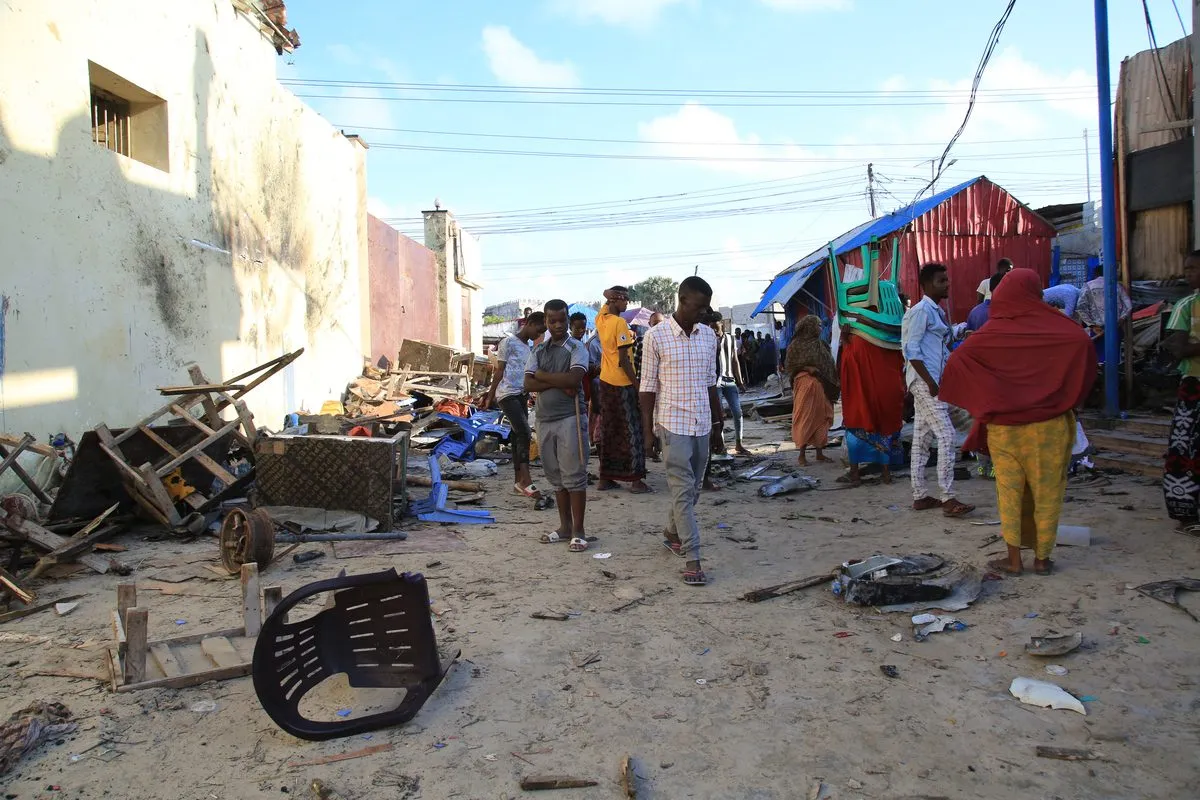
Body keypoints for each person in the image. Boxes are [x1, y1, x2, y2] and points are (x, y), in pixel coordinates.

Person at [941, 269, 1097, 575]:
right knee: (1048, 492)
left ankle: (1013, 560)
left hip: (1006, 430)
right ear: (1036, 293)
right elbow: (1083, 344)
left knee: (1010, 493)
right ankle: (1041, 559)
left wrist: (987, 396)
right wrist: (1068, 394)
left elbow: (959, 360)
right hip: (1050, 427)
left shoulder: (990, 333)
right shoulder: (1060, 328)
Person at [640, 277, 723, 586]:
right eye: (700, 306)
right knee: (682, 489)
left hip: (701, 423)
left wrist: (717, 423)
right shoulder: (655, 337)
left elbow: (710, 382)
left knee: (693, 490)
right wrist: (649, 431)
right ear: (683, 300)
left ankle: (672, 533)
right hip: (671, 425)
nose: (705, 312)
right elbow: (647, 387)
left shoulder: (708, 337)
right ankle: (693, 558)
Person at [901, 263, 975, 517]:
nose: (947, 284)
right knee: (946, 434)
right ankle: (948, 497)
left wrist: (963, 333)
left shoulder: (935, 311)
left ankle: (920, 496)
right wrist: (930, 382)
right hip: (925, 382)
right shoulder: (921, 311)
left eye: (946, 280)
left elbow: (941, 340)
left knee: (922, 440)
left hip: (930, 381)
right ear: (928, 285)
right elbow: (911, 350)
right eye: (942, 281)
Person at [524, 300, 591, 551]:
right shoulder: (538, 351)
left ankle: (579, 530)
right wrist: (555, 381)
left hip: (570, 418)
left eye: (562, 320)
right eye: (553, 321)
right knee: (556, 476)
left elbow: (574, 379)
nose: (558, 325)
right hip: (544, 419)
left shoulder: (576, 348)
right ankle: (564, 527)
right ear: (546, 323)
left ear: (567, 318)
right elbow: (528, 384)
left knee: (574, 474)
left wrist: (541, 375)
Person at [484, 312, 547, 501]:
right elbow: (500, 371)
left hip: (521, 394)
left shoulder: (528, 347)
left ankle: (517, 480)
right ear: (529, 323)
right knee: (525, 432)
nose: (539, 335)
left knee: (516, 433)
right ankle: (525, 479)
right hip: (506, 394)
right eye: (539, 329)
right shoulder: (508, 342)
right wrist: (490, 395)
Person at [595, 287, 650, 494]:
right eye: (625, 300)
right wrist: (637, 386)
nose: (627, 304)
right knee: (632, 430)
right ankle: (636, 481)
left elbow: (605, 294)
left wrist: (610, 295)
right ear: (616, 301)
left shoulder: (601, 319)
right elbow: (624, 360)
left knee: (609, 430)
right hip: (622, 383)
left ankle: (605, 478)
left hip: (605, 381)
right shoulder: (619, 323)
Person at [839, 325, 906, 486]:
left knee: (856, 431)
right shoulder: (888, 335)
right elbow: (898, 363)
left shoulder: (854, 338)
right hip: (884, 394)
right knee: (883, 431)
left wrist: (844, 339)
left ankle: (855, 474)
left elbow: (846, 366)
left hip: (860, 396)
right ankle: (885, 474)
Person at [1163, 251, 1200, 532]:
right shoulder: (1187, 304)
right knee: (1185, 448)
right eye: (1186, 268)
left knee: (1185, 447)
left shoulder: (1186, 306)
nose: (1188, 273)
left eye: (1193, 268)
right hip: (1193, 383)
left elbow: (1183, 347)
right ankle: (1187, 513)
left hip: (1194, 385)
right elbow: (1178, 349)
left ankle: (1187, 513)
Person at [784, 316, 838, 466]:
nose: (821, 328)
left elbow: (829, 365)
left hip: (822, 385)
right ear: (809, 327)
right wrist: (807, 368)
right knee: (806, 417)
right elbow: (790, 366)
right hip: (805, 384)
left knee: (822, 418)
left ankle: (819, 453)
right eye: (818, 325)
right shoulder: (795, 346)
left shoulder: (821, 345)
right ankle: (802, 455)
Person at [1074, 265, 1132, 361]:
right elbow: (1128, 306)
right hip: (1115, 327)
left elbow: (1081, 308)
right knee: (1113, 358)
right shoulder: (1117, 286)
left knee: (1099, 358)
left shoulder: (1088, 286)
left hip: (1097, 329)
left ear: (1096, 274)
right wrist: (1120, 320)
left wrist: (1092, 325)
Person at [712, 315, 750, 455]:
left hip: (729, 380)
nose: (714, 331)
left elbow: (735, 361)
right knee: (719, 414)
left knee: (737, 412)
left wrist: (740, 381)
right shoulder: (709, 339)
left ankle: (739, 444)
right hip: (715, 382)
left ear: (721, 325)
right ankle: (721, 447)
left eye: (716, 328)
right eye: (711, 328)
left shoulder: (730, 339)